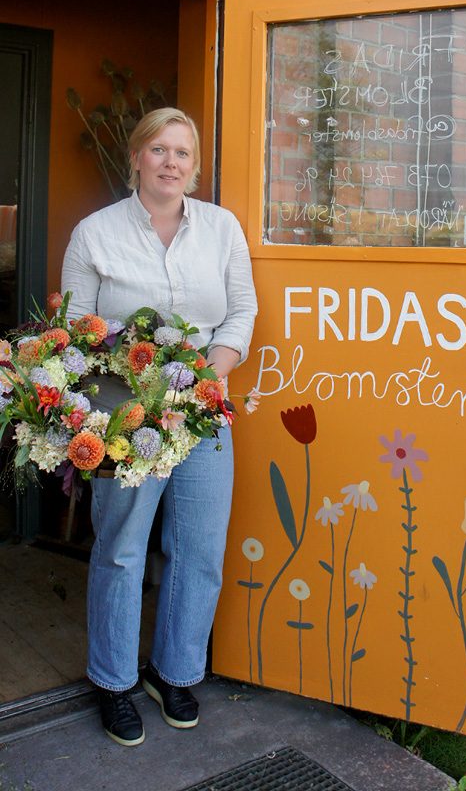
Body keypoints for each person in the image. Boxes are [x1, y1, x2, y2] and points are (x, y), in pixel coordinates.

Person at [61, 107, 258, 746]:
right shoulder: (95, 233)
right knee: (120, 549)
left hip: (203, 411)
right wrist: (118, 381)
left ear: (194, 166)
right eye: (158, 150)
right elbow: (72, 331)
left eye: (182, 152)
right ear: (136, 158)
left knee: (198, 549)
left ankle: (173, 672)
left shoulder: (223, 229)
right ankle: (114, 681)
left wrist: (210, 375)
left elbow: (240, 315)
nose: (171, 163)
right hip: (122, 414)